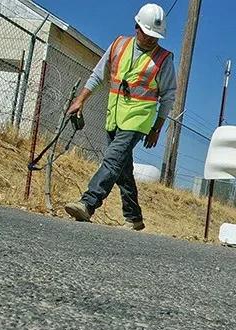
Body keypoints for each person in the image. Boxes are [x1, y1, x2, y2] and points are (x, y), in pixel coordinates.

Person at [64, 3, 177, 231]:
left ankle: (88, 203)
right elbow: (99, 74)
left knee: (112, 160)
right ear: (137, 27)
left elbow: (168, 97)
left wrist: (157, 128)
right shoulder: (119, 45)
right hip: (114, 116)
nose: (152, 39)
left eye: (156, 36)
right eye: (148, 34)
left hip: (138, 120)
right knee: (122, 169)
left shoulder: (163, 60)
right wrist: (80, 99)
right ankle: (134, 217)